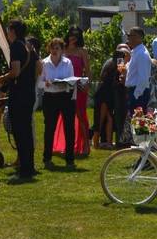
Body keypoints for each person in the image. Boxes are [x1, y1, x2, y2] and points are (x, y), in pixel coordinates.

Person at [0, 19, 38, 179]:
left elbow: (15, 71)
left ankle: (24, 170)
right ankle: (30, 166)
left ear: (13, 31)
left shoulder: (15, 46)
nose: (7, 33)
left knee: (20, 132)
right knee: (27, 131)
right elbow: (38, 67)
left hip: (19, 94)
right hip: (29, 92)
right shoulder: (29, 46)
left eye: (8, 30)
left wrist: (3, 77)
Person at [53, 27, 89, 158]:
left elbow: (88, 71)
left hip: (78, 86)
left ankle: (85, 145)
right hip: (65, 86)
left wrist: (87, 85)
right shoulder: (62, 50)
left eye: (76, 35)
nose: (73, 37)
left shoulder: (82, 51)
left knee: (80, 115)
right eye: (71, 34)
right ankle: (64, 145)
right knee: (64, 115)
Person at [41, 38, 76, 168]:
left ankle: (70, 160)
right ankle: (47, 159)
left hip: (66, 97)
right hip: (50, 97)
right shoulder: (44, 63)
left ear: (62, 50)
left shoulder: (67, 63)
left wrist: (66, 82)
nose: (54, 51)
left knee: (69, 129)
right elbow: (39, 82)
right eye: (52, 48)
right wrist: (46, 83)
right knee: (49, 129)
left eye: (57, 48)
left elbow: (72, 80)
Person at [93, 47, 122, 148]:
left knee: (108, 117)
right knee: (101, 118)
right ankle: (96, 141)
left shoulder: (110, 63)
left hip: (108, 93)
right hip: (105, 94)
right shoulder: (113, 66)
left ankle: (108, 142)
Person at [124, 26, 151, 113]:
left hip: (139, 92)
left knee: (138, 123)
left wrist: (135, 95)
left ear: (138, 38)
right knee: (134, 122)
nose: (128, 38)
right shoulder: (135, 52)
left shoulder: (141, 54)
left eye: (130, 35)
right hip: (135, 91)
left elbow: (143, 78)